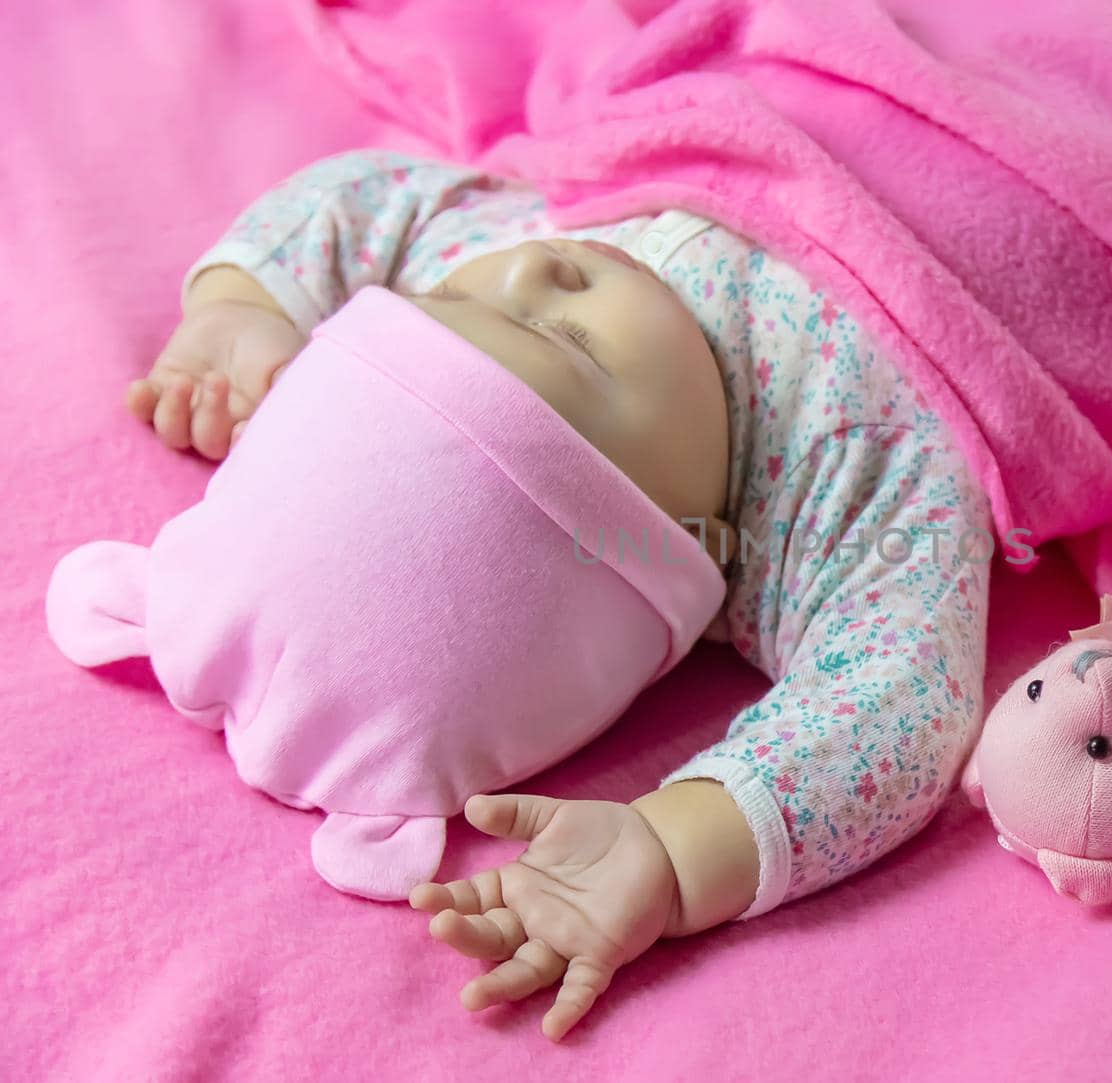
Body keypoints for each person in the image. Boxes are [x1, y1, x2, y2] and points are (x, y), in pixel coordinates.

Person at [126, 149, 1000, 1040]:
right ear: (688, 540)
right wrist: (674, 847)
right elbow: (898, 700)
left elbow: (368, 200)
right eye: (574, 346)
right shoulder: (837, 476)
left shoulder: (511, 257)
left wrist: (242, 305)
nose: (535, 263)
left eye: (454, 299)